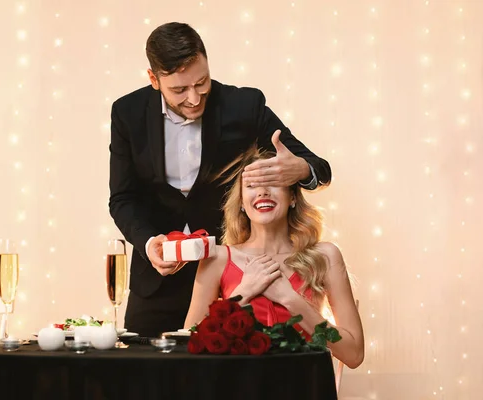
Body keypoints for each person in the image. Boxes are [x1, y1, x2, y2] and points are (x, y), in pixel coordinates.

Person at [109, 22, 332, 337]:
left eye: (202, 82)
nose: (195, 97)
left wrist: (301, 171)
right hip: (155, 284)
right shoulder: (126, 113)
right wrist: (148, 243)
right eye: (179, 89)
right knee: (148, 379)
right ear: (153, 79)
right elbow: (122, 198)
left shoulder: (244, 106)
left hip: (231, 280)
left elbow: (319, 167)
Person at [184, 147, 364, 368]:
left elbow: (354, 354)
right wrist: (243, 293)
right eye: (251, 186)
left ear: (293, 198)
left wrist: (291, 299)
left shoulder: (325, 256)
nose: (262, 192)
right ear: (241, 201)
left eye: (274, 182)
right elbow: (190, 346)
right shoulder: (217, 258)